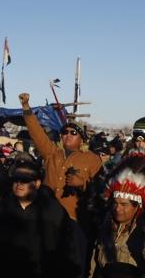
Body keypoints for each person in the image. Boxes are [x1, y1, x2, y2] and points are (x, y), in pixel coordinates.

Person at [19, 92, 102, 220]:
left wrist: (82, 184)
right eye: (64, 132)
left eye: (73, 132)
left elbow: (100, 190)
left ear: (82, 139)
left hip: (73, 218)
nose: (67, 135)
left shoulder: (93, 159)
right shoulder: (51, 151)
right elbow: (36, 132)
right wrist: (26, 107)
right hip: (45, 214)